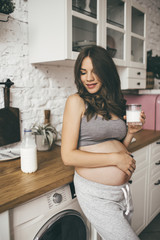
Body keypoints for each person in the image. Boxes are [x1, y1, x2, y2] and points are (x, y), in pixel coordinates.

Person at [61, 45, 146, 240]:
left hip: (121, 192)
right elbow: (68, 156)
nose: (88, 78)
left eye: (94, 71)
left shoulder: (113, 103)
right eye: (83, 72)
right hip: (96, 192)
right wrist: (116, 159)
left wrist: (130, 132)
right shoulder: (76, 101)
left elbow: (120, 148)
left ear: (105, 72)